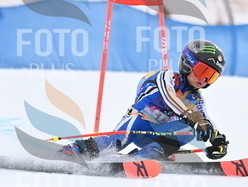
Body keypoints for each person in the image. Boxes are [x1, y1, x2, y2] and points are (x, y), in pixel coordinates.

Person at [59, 39, 229, 161]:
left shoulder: (196, 99)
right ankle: (76, 150)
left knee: (190, 130)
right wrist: (195, 118)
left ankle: (146, 157)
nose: (204, 80)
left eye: (212, 76)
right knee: (118, 141)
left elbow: (205, 118)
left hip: (160, 133)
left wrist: (216, 138)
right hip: (140, 121)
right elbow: (170, 96)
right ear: (187, 63)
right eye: (203, 71)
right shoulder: (166, 77)